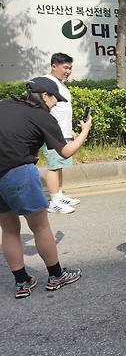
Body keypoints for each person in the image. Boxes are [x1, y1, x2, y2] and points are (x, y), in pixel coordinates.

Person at [0, 77, 90, 298]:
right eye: (54, 99)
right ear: (45, 96)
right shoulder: (41, 116)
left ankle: (22, 282)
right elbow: (65, 152)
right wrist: (85, 131)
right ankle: (56, 275)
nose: (55, 104)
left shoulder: (4, 104)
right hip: (18, 171)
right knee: (40, 227)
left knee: (9, 229)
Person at [42, 53, 79, 214]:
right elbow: (43, 109)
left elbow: (61, 110)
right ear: (54, 66)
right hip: (52, 132)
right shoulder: (46, 83)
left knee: (60, 164)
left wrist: (69, 130)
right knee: (54, 166)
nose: (68, 71)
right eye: (65, 67)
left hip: (62, 131)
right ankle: (54, 201)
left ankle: (60, 194)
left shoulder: (60, 84)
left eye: (70, 68)